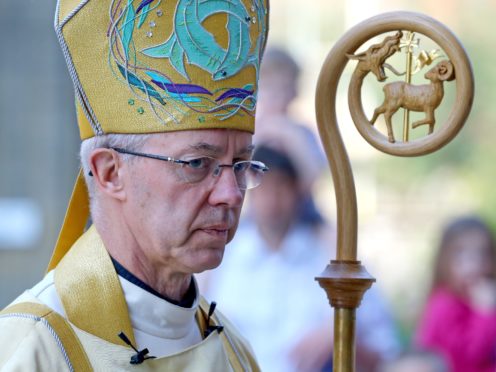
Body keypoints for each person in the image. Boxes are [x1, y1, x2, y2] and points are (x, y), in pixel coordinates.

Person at [0, 0, 269, 370]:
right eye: (196, 163)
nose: (231, 194)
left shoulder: (235, 350)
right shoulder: (34, 350)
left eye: (240, 165)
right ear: (110, 172)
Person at [415, 216, 496, 372]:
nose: (473, 265)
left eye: (482, 253)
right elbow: (467, 359)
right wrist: (484, 313)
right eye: (460, 253)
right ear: (444, 261)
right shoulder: (443, 304)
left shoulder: (482, 299)